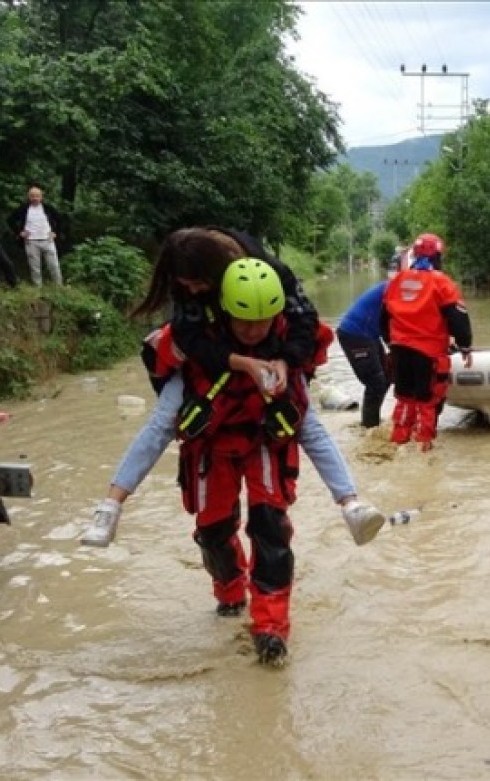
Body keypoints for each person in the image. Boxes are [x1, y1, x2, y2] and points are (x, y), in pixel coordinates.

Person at [80, 227, 385, 548]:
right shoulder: (189, 290)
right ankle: (111, 505)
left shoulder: (272, 273)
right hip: (210, 357)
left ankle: (351, 504)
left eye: (197, 283)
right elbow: (188, 338)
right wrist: (242, 363)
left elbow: (304, 321)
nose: (191, 290)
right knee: (163, 420)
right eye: (185, 284)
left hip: (272, 354)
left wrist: (284, 361)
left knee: (306, 421)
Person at [164, 257, 306, 665]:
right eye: (244, 323)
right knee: (212, 531)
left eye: (261, 323)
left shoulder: (288, 342)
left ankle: (271, 627)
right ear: (225, 310)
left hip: (262, 441)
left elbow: (309, 425)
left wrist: (347, 498)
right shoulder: (196, 339)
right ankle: (228, 592)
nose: (253, 331)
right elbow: (161, 420)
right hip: (210, 447)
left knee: (270, 530)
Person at [381, 232, 472, 451]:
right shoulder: (441, 282)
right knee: (427, 402)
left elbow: (384, 317)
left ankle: (399, 442)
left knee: (404, 398)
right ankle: (424, 450)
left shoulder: (397, 281)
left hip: (399, 349)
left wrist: (392, 343)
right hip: (428, 352)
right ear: (438, 256)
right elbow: (458, 318)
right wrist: (465, 346)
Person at [336, 279, 392, 428]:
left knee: (387, 375)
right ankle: (369, 428)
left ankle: (372, 420)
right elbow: (390, 322)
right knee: (375, 383)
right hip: (355, 333)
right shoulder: (395, 289)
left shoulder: (400, 287)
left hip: (370, 334)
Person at [7, 185, 63, 286]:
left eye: (37, 196)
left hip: (48, 240)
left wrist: (55, 232)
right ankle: (38, 289)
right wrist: (20, 232)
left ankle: (59, 286)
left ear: (41, 197)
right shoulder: (24, 208)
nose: (35, 198)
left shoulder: (48, 208)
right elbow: (10, 220)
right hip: (31, 241)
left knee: (54, 265)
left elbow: (60, 220)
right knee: (35, 267)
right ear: (29, 197)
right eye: (32, 196)